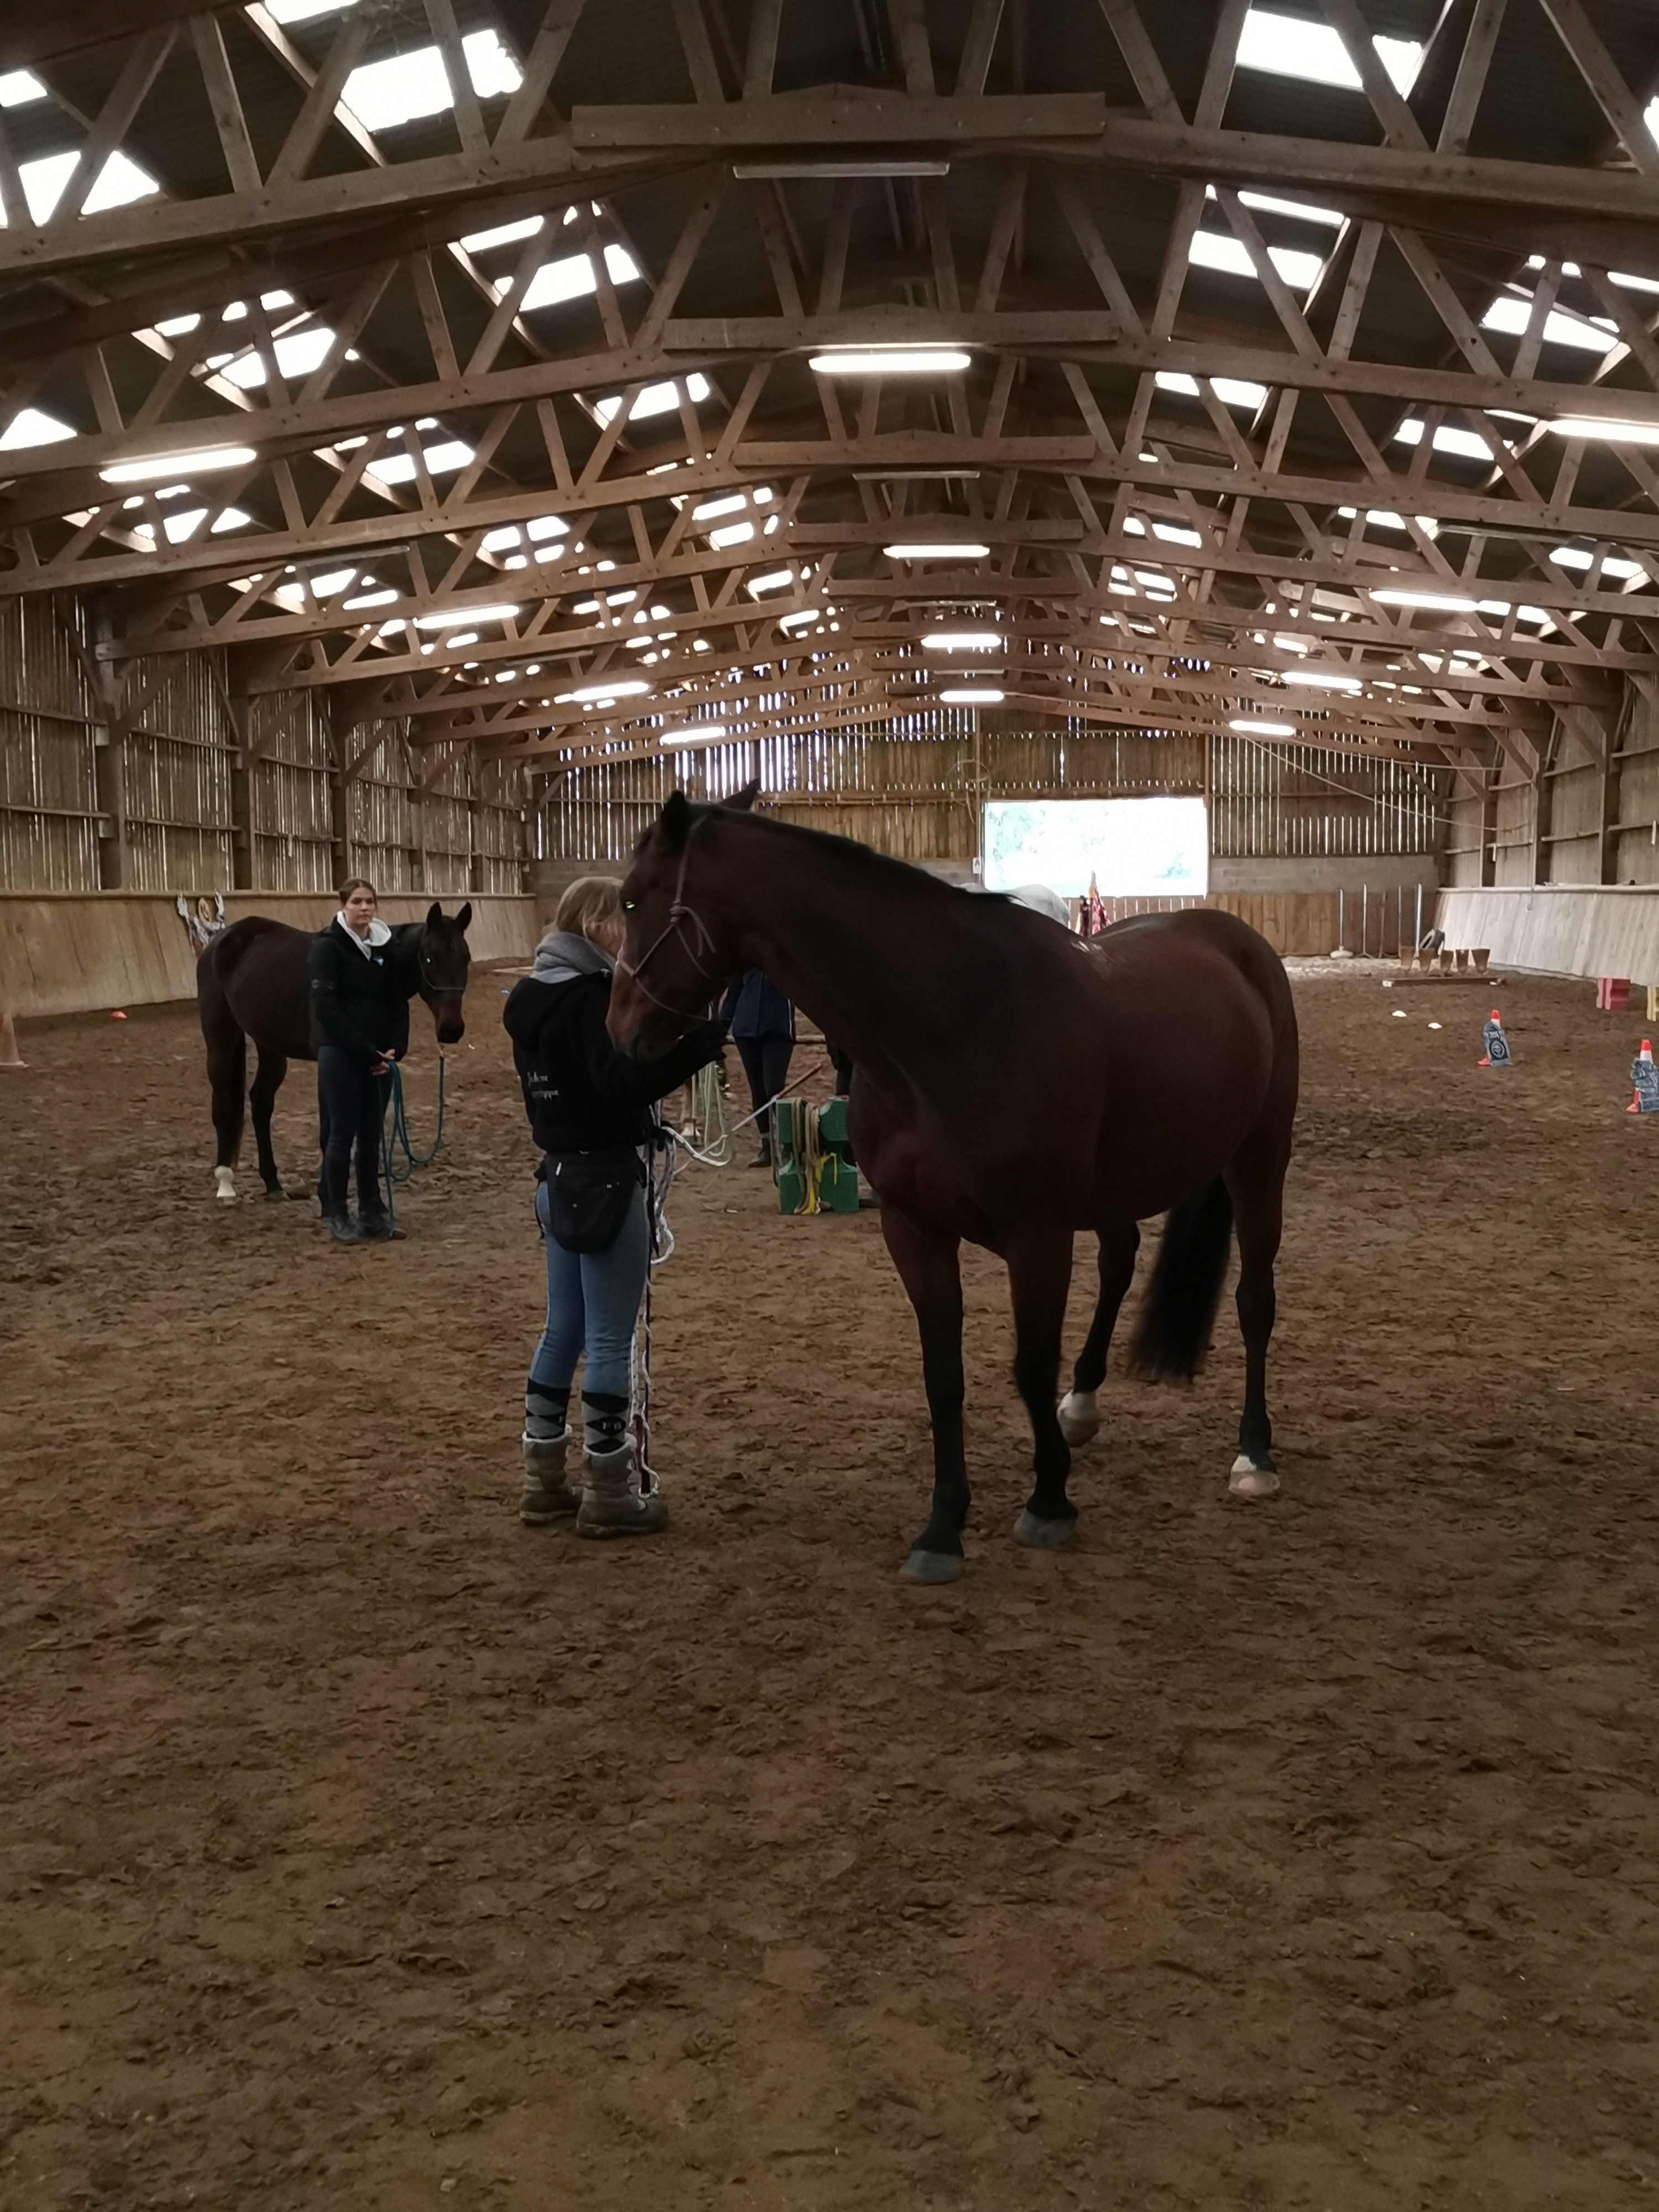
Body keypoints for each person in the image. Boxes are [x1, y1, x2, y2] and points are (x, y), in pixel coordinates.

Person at [503, 876, 724, 1539]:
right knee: (607, 1338)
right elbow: (620, 1084)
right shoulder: (587, 998)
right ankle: (609, 1486)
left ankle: (543, 1476)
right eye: (622, 922)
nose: (630, 935)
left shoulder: (530, 996)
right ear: (596, 924)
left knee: (562, 1329)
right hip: (604, 1179)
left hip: (557, 1175)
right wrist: (697, 1048)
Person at [306, 877, 405, 1246]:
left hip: (379, 1057)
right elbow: (327, 1008)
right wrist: (366, 1051)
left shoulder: (386, 949)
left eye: (369, 902)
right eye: (357, 902)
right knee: (341, 1134)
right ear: (344, 905)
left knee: (371, 1136)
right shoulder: (327, 949)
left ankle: (371, 1210)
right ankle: (338, 1212)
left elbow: (398, 1001)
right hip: (341, 1054)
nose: (364, 908)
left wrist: (396, 1047)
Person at [721, 968, 794, 1167]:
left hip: (778, 1030)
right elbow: (734, 992)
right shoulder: (745, 962)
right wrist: (721, 1027)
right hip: (746, 1031)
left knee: (775, 1088)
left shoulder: (782, 960)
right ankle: (767, 1145)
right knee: (758, 1091)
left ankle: (789, 1144)